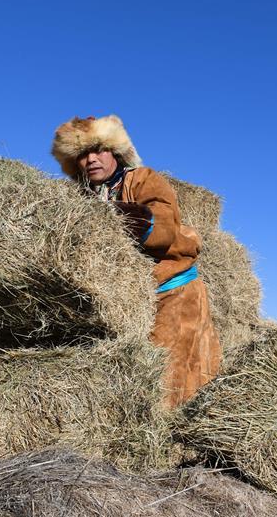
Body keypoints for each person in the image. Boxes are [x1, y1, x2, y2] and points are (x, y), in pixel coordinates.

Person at [51, 114, 222, 409]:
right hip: (123, 303)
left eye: (99, 150)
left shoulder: (143, 180)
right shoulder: (78, 200)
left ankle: (173, 441)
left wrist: (136, 221)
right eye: (82, 154)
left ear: (115, 152)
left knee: (172, 376)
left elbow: (165, 222)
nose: (92, 159)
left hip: (171, 292)